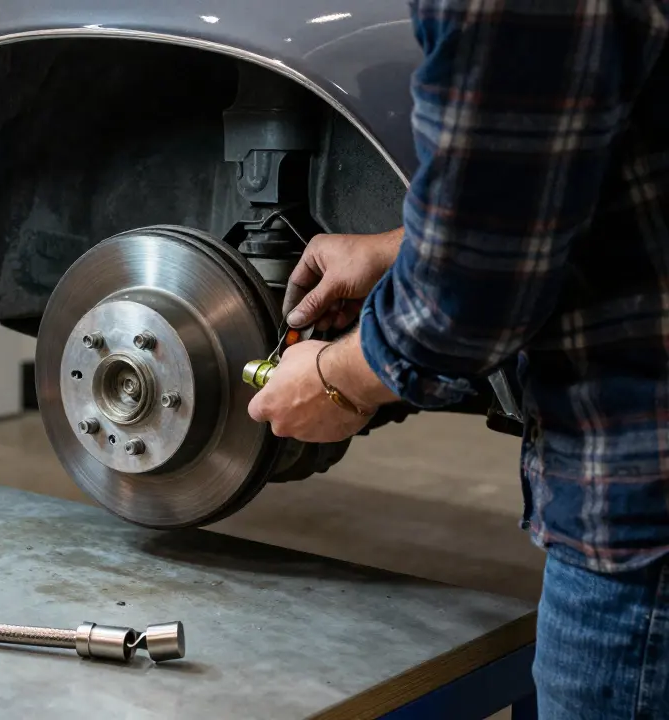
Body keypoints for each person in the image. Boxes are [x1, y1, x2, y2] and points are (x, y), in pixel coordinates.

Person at [246, 0, 669, 716]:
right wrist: (399, 250)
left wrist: (336, 380)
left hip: (645, 515)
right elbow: (577, 165)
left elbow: (473, 290)